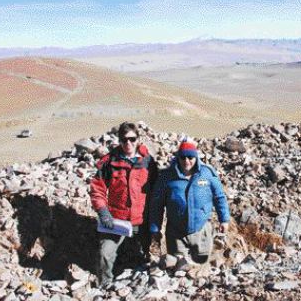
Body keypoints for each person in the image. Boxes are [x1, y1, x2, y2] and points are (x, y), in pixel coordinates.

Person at [90, 122, 157, 285]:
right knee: (105, 254)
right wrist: (103, 211)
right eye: (124, 140)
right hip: (116, 220)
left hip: (142, 220)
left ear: (138, 140)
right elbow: (97, 189)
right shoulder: (109, 162)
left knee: (152, 255)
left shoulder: (147, 161)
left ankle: (150, 282)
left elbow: (157, 189)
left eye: (132, 139)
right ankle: (105, 285)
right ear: (119, 140)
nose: (128, 143)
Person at [149, 137, 230, 265]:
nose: (186, 161)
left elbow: (219, 197)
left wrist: (224, 220)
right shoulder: (166, 177)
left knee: (200, 269)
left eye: (190, 157)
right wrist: (155, 228)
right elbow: (156, 205)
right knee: (178, 268)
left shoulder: (206, 173)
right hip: (176, 234)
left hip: (201, 231)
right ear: (178, 157)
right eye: (183, 157)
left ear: (196, 157)